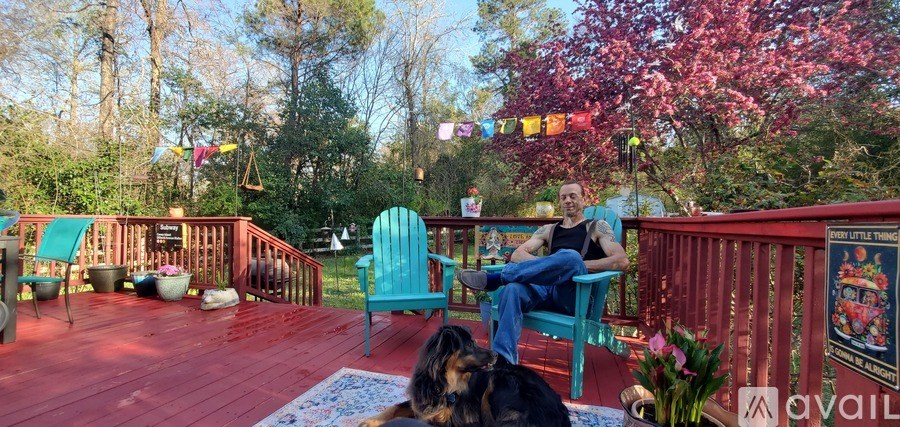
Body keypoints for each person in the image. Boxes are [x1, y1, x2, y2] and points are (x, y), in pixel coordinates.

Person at [457, 181, 629, 364]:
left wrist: (576, 265)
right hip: (544, 291)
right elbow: (517, 254)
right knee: (512, 290)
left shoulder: (597, 226)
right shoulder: (549, 230)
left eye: (573, 196)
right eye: (563, 197)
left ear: (583, 199)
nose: (568, 200)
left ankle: (498, 278)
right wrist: (550, 266)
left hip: (574, 295)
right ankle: (504, 361)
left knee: (571, 257)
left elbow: (622, 261)